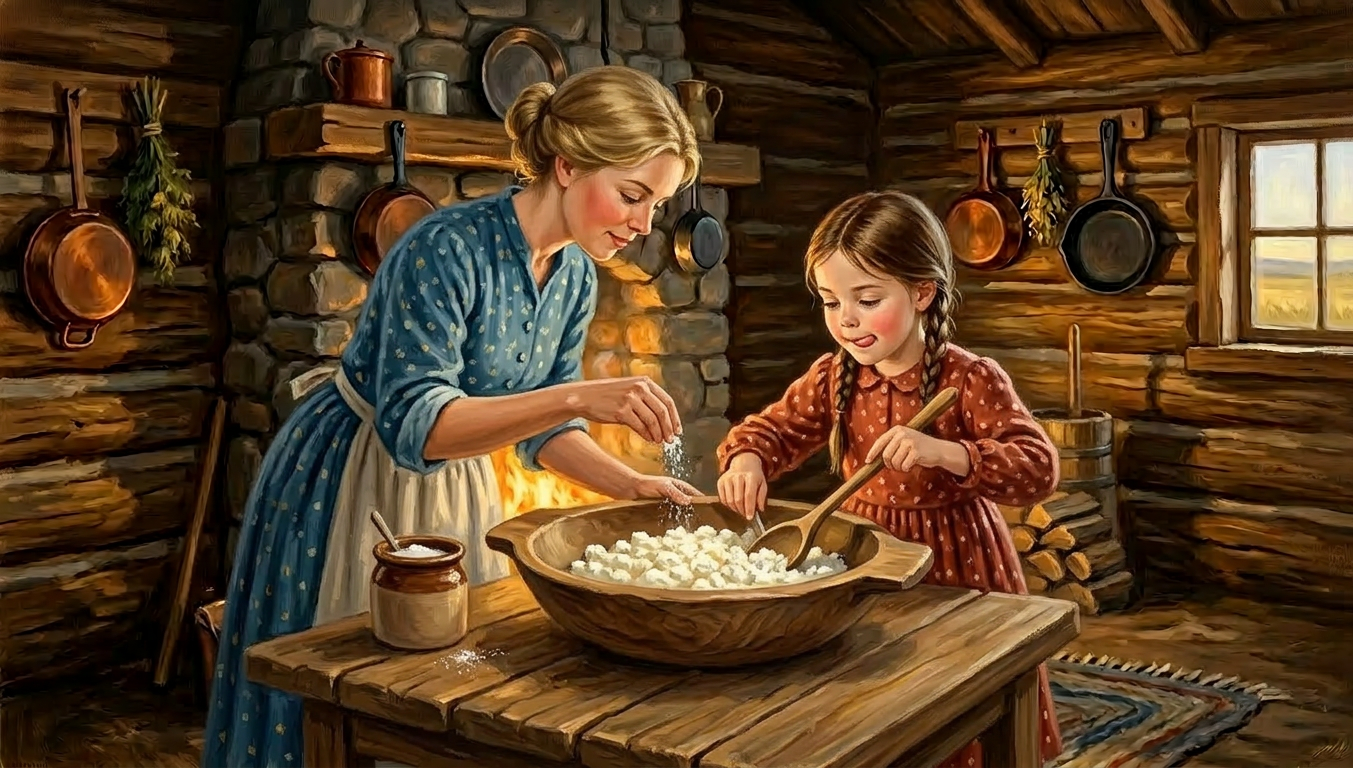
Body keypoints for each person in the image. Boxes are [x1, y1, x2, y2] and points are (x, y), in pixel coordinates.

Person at [203, 65, 705, 768]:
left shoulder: (574, 277)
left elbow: (544, 430)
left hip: (459, 489)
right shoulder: (445, 247)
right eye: (632, 195)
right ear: (566, 165)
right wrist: (578, 397)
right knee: (336, 700)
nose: (644, 225)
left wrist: (632, 486)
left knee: (441, 706)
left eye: (657, 204)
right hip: (350, 477)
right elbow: (418, 427)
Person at [714, 190, 1063, 768]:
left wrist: (946, 453)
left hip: (956, 561)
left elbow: (1037, 468)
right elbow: (774, 429)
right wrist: (747, 458)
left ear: (922, 292)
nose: (846, 319)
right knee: (875, 699)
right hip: (867, 556)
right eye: (831, 302)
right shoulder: (834, 376)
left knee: (957, 698)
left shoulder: (970, 377)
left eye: (868, 299)